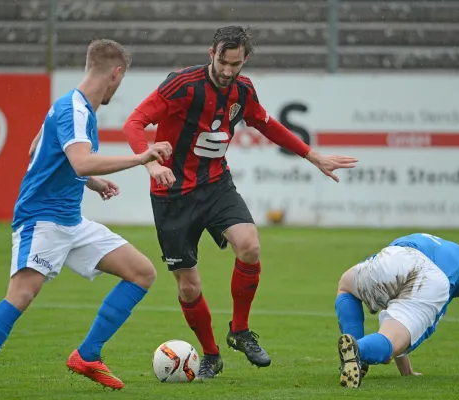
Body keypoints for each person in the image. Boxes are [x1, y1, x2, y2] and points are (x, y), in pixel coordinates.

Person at [122, 25, 358, 379]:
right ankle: (211, 354)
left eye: (236, 64)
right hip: (172, 194)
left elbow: (267, 124)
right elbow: (134, 122)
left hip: (216, 184)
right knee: (189, 287)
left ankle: (240, 331)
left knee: (249, 245)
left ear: (244, 59)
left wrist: (313, 156)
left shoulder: (243, 90)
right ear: (211, 53)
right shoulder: (182, 85)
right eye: (223, 61)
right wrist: (150, 161)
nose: (228, 70)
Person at [0, 39, 172, 398]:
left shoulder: (71, 105)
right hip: (40, 220)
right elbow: (80, 160)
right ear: (116, 73)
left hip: (70, 221)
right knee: (21, 295)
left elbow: (41, 152)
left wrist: (91, 181)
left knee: (142, 272)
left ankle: (87, 356)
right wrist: (143, 158)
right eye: (121, 79)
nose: (118, 87)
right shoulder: (76, 110)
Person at [334, 232, 459, 388]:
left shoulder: (417, 238)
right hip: (432, 278)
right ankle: (358, 350)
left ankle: (353, 352)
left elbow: (394, 303)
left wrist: (407, 372)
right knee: (390, 343)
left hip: (398, 255)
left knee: (346, 286)